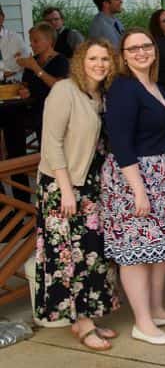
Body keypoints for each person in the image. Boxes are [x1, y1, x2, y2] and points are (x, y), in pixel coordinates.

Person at [34, 38, 117, 351]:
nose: (99, 64)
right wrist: (66, 190)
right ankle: (79, 323)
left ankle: (90, 314)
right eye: (93, 58)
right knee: (67, 257)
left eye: (105, 59)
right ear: (81, 60)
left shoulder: (99, 94)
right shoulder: (64, 90)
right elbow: (51, 143)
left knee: (91, 254)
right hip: (62, 186)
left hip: (90, 185)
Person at [103, 30, 165, 345]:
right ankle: (143, 322)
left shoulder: (154, 86)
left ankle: (157, 308)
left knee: (159, 249)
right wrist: (138, 189)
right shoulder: (123, 89)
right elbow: (121, 143)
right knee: (135, 252)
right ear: (123, 56)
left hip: (161, 175)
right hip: (133, 177)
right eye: (133, 48)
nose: (141, 52)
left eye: (146, 46)